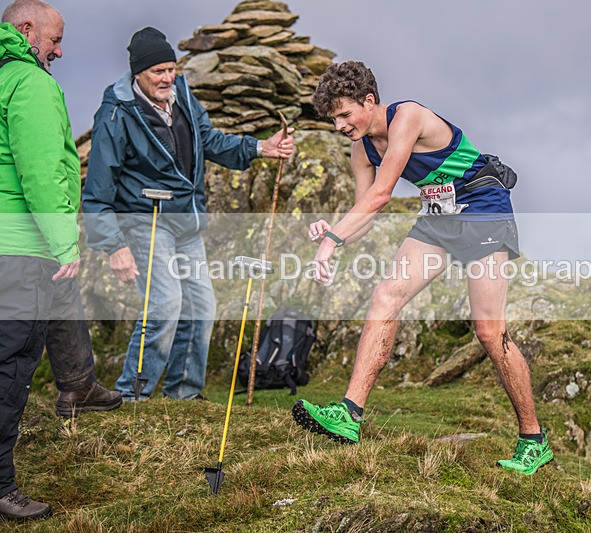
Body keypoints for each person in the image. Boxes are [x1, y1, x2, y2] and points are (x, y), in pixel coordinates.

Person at [292, 61, 553, 475]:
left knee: (489, 331)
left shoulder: (408, 116)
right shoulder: (361, 150)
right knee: (386, 296)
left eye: (344, 114)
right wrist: (334, 230)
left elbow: (382, 194)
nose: (339, 125)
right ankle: (349, 414)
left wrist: (332, 241)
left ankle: (533, 440)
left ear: (369, 100)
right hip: (438, 216)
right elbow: (366, 213)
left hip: (482, 208)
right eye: (333, 119)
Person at [83, 27, 294, 402]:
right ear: (138, 73)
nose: (167, 78)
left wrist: (260, 147)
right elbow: (98, 186)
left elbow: (208, 139)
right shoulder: (116, 114)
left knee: (201, 307)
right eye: (158, 71)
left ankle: (183, 391)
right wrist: (113, 245)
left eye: (171, 69)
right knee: (164, 304)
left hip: (186, 220)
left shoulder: (182, 96)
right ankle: (133, 394)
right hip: (145, 220)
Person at [0, 0, 108, 520]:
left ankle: (79, 384)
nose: (60, 51)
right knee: (11, 367)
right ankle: (1, 486)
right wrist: (65, 244)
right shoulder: (30, 83)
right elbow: (42, 172)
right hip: (23, 248)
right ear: (27, 30)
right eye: (55, 39)